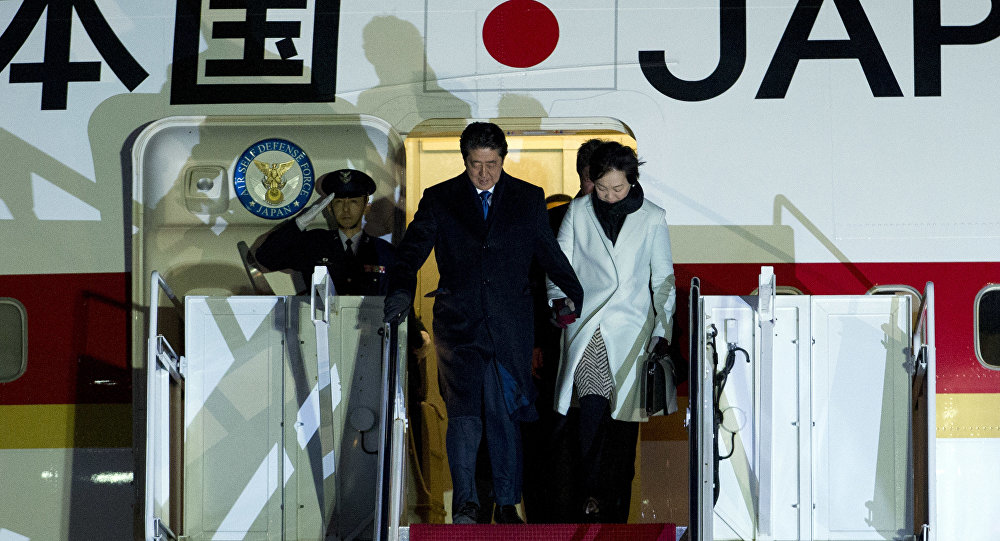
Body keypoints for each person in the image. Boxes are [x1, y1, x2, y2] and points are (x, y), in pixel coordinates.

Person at [383, 122, 584, 525]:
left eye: (492, 164)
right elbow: (409, 253)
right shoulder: (440, 199)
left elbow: (549, 255)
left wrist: (574, 293)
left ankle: (508, 504)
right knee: (463, 416)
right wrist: (401, 290)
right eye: (476, 164)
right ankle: (466, 505)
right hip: (458, 328)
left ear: (503, 159)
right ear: (465, 160)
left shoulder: (528, 199)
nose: (484, 174)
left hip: (510, 327)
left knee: (504, 414)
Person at [547, 141, 676, 523]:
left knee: (622, 427)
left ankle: (612, 503)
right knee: (590, 412)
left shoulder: (653, 217)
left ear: (631, 181)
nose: (608, 195)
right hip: (587, 329)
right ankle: (590, 495)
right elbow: (560, 268)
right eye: (602, 188)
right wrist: (559, 303)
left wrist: (662, 329)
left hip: (633, 334)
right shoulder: (579, 211)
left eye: (617, 188)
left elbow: (663, 279)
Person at [520, 138, 605, 523]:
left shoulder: (626, 220)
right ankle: (546, 519)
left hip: (604, 350)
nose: (602, 188)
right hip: (555, 346)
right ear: (581, 176)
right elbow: (535, 284)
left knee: (598, 436)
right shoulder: (554, 220)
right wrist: (537, 341)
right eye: (595, 179)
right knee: (552, 435)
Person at [254, 169, 395, 295]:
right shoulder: (314, 243)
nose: (346, 209)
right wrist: (299, 223)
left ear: (366, 207)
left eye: (353, 202)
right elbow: (266, 258)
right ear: (329, 208)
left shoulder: (384, 251)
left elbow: (398, 296)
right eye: (339, 202)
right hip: (320, 322)